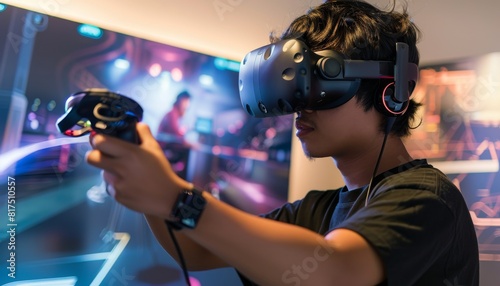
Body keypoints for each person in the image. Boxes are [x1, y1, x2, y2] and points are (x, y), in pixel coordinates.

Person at [86, 1, 480, 285]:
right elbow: (199, 250)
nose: (298, 108)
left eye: (318, 85)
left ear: (390, 93)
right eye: (293, 89)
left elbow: (335, 273)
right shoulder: (316, 210)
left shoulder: (428, 199)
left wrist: (174, 198)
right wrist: (149, 193)